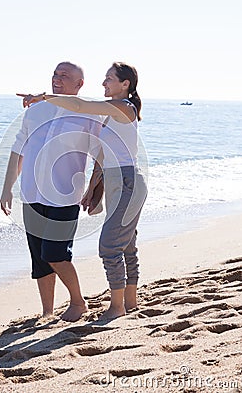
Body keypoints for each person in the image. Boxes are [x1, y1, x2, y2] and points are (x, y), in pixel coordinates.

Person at [20, 62, 148, 319]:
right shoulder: (111, 113)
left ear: (125, 84)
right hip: (115, 179)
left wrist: (43, 97)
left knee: (110, 246)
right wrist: (93, 188)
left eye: (109, 79)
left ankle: (117, 307)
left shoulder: (124, 108)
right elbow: (104, 155)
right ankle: (130, 302)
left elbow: (79, 105)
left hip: (126, 181)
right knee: (127, 244)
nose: (103, 83)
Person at [0, 62, 102, 322]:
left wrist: (94, 188)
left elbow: (101, 155)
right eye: (55, 74)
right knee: (39, 259)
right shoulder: (36, 111)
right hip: (31, 194)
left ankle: (79, 303)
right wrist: (7, 188)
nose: (57, 78)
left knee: (55, 254)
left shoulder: (89, 114)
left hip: (65, 196)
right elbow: (18, 150)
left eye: (64, 75)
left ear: (80, 84)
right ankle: (47, 311)